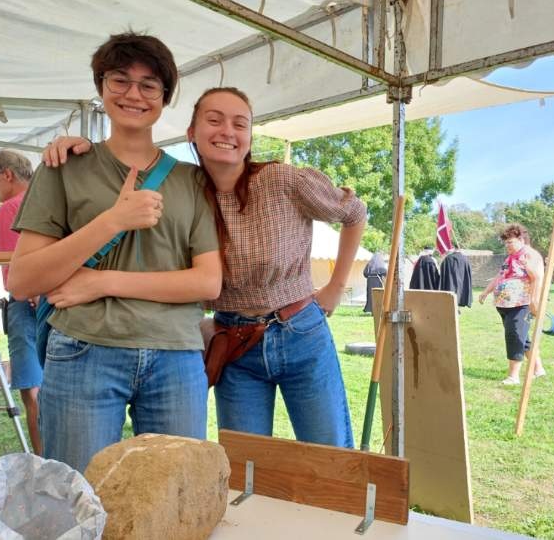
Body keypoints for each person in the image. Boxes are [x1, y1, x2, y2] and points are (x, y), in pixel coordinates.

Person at [43, 86, 367, 449]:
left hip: (300, 331)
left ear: (249, 137)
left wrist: (336, 287)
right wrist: (81, 149)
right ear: (191, 132)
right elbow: (126, 161)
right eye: (214, 120)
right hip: (234, 344)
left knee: (332, 454)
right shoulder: (185, 189)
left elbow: (354, 213)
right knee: (243, 463)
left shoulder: (282, 181)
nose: (227, 131)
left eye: (240, 124)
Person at [8, 32, 221, 473]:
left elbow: (207, 283)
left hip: (175, 354)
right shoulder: (63, 167)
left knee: (175, 493)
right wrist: (113, 221)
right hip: (84, 349)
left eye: (149, 85)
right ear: (101, 87)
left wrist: (103, 281)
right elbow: (23, 280)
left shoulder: (192, 180)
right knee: (77, 493)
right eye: (120, 80)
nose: (133, 95)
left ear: (165, 97)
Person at [0, 150, 42, 455]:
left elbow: (16, 269)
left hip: (26, 301)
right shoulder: (47, 199)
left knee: (32, 391)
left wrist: (32, 290)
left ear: (7, 174)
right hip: (57, 300)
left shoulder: (10, 207)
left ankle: (44, 462)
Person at [478, 223, 545, 385]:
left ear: (521, 240)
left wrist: (534, 302)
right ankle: (538, 369)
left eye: (510, 242)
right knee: (523, 338)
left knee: (515, 337)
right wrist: (486, 291)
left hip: (521, 304)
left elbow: (537, 278)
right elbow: (499, 276)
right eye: (505, 242)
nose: (507, 245)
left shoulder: (530, 255)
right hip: (505, 305)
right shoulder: (510, 257)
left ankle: (513, 376)